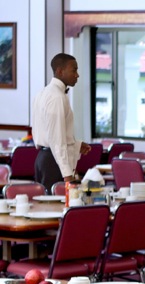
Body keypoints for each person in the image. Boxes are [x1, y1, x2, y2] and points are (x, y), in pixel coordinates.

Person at [32, 53, 91, 192]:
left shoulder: (42, 93)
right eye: (74, 70)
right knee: (54, 208)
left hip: (44, 158)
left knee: (46, 207)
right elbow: (56, 140)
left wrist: (75, 144)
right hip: (53, 162)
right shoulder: (57, 97)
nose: (77, 75)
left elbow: (47, 133)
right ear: (60, 71)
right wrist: (67, 175)